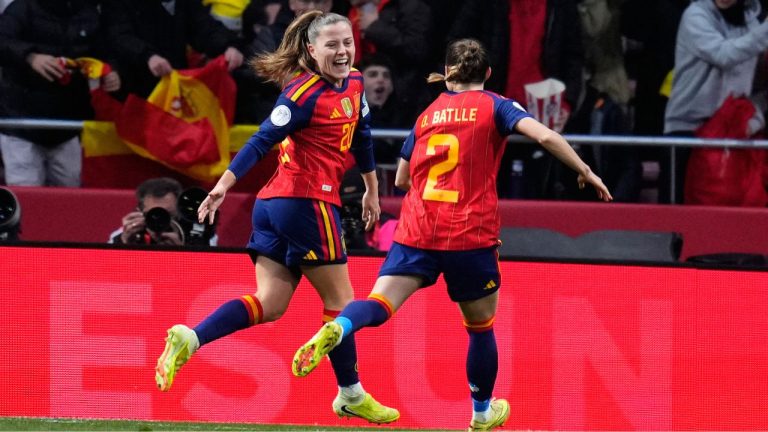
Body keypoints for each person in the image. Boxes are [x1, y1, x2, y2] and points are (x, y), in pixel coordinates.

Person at [291, 39, 612, 431]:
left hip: (418, 230)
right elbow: (544, 137)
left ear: (447, 73)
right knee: (480, 326)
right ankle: (480, 413)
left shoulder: (427, 114)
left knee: (378, 304)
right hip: (469, 234)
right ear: (488, 74)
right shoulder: (497, 105)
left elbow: (402, 178)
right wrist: (584, 169)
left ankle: (340, 327)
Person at [153, 11, 399, 424]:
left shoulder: (354, 82)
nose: (342, 52)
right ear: (311, 49)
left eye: (347, 43)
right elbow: (262, 138)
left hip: (277, 206)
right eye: (332, 45)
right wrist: (224, 185)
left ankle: (190, 338)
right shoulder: (302, 94)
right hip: (307, 203)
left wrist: (373, 189)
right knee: (341, 303)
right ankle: (350, 392)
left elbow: (362, 135)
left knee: (270, 304)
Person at [0, 0, 121, 187]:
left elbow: (106, 50)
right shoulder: (22, 8)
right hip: (21, 125)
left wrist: (111, 71)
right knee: (26, 195)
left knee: (70, 195)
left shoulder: (89, 13)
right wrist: (30, 57)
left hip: (68, 125)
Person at [662, 0, 768, 203]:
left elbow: (756, 83)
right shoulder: (695, 16)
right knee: (676, 223)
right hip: (688, 133)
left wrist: (755, 115)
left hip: (731, 134)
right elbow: (724, 54)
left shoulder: (753, 23)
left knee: (727, 218)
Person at [102, 0, 244, 98]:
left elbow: (202, 27)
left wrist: (228, 46)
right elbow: (118, 35)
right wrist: (148, 55)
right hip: (130, 86)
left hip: (173, 86)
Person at [108, 177, 218, 246]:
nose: (160, 219)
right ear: (140, 211)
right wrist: (123, 243)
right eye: (154, 213)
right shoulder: (132, 230)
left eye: (168, 214)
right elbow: (108, 269)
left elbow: (208, 272)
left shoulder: (197, 232)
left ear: (179, 211)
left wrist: (182, 252)